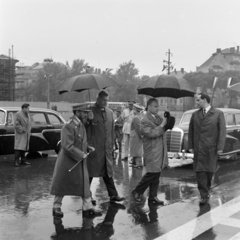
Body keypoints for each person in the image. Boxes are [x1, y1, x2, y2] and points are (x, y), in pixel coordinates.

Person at [50, 103, 102, 218]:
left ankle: (87, 207)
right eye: (84, 112)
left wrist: (87, 147)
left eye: (86, 112)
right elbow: (67, 146)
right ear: (77, 112)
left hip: (78, 160)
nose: (86, 114)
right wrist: (81, 154)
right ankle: (56, 207)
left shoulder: (81, 125)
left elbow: (81, 141)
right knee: (62, 184)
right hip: (67, 162)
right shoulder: (68, 126)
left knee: (84, 184)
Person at [86, 90, 125, 204]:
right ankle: (87, 197)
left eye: (107, 100)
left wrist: (113, 145)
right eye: (103, 100)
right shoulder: (90, 111)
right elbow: (83, 128)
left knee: (108, 173)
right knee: (90, 174)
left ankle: (113, 195)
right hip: (94, 149)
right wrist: (88, 120)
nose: (105, 102)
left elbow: (111, 130)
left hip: (106, 148)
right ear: (97, 99)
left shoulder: (109, 112)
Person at [188, 93, 226, 205]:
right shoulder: (195, 114)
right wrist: (190, 146)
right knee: (200, 172)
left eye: (198, 100)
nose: (196, 102)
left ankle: (207, 189)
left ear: (205, 100)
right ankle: (203, 195)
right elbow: (191, 131)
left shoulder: (218, 114)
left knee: (209, 172)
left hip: (211, 149)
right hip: (199, 149)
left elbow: (222, 132)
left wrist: (220, 147)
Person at [132, 98, 168, 205]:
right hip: (152, 150)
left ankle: (152, 197)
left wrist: (167, 118)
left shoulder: (157, 117)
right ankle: (137, 191)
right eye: (155, 106)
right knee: (152, 173)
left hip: (159, 149)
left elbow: (165, 127)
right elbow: (150, 133)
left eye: (158, 106)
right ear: (149, 107)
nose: (158, 108)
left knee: (156, 174)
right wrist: (162, 125)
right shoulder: (144, 120)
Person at [129, 103, 144, 168]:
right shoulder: (138, 117)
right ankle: (135, 163)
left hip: (136, 137)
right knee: (135, 150)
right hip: (135, 136)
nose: (133, 110)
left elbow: (138, 129)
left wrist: (141, 136)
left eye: (134, 109)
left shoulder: (136, 118)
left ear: (136, 110)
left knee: (137, 150)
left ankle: (138, 164)